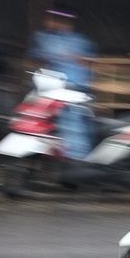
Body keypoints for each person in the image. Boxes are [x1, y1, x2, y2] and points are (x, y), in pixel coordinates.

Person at [28, 8, 97, 160]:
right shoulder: (44, 38)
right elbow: (36, 61)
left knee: (74, 128)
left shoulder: (79, 42)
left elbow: (86, 67)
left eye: (51, 19)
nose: (47, 23)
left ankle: (76, 162)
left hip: (71, 91)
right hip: (49, 90)